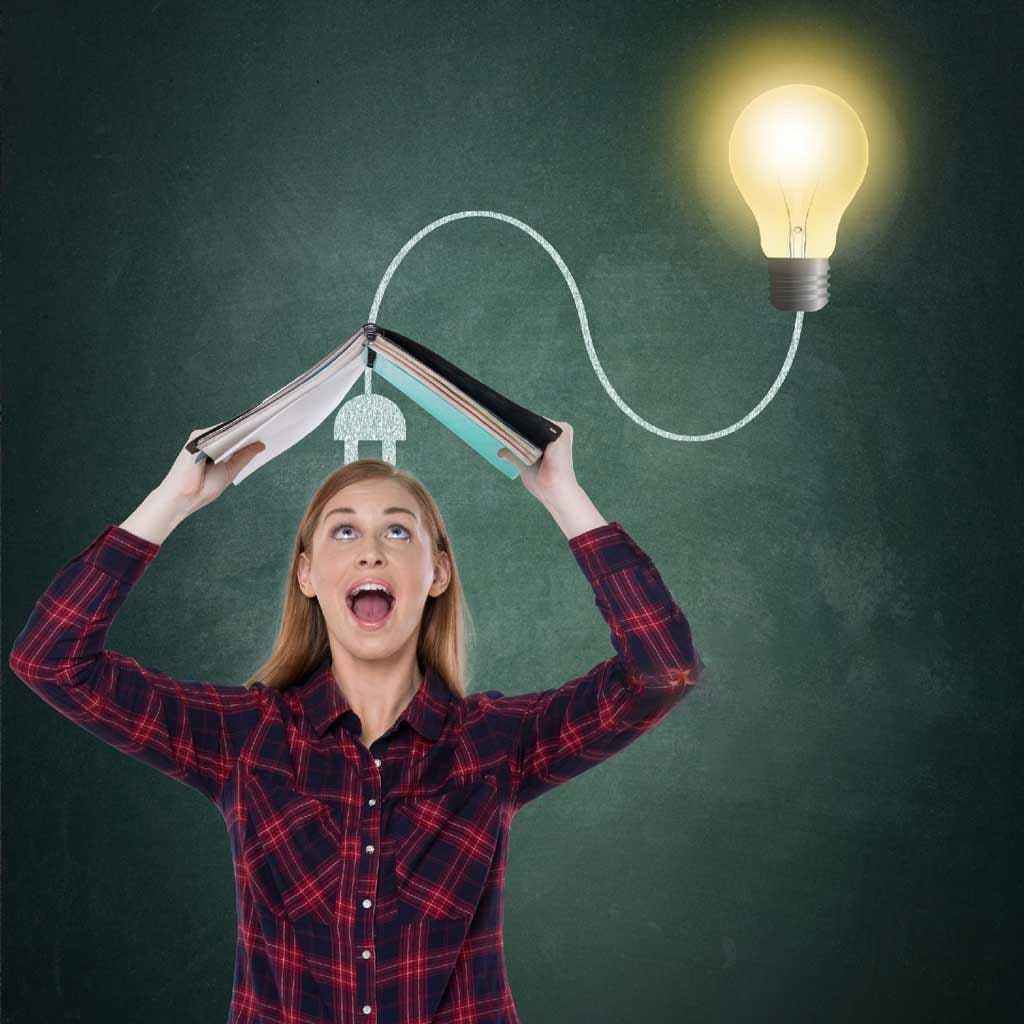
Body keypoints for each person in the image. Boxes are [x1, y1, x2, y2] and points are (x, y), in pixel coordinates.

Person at [9, 420, 705, 1023]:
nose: (371, 550)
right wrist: (175, 499)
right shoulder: (249, 740)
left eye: (397, 531)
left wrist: (561, 491)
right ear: (309, 574)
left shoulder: (492, 745)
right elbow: (51, 660)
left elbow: (661, 669)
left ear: (437, 573)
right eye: (345, 530)